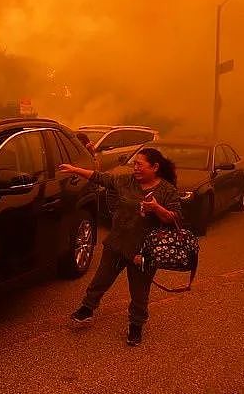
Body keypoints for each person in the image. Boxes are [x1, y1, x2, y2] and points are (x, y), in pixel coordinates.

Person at [59, 147, 182, 346]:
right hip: (117, 243)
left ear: (155, 167)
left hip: (145, 252)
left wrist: (156, 208)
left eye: (140, 165)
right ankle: (87, 308)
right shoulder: (126, 181)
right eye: (134, 164)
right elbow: (101, 178)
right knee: (101, 280)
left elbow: (175, 218)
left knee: (140, 292)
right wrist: (75, 169)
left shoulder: (167, 190)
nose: (135, 168)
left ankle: (136, 325)